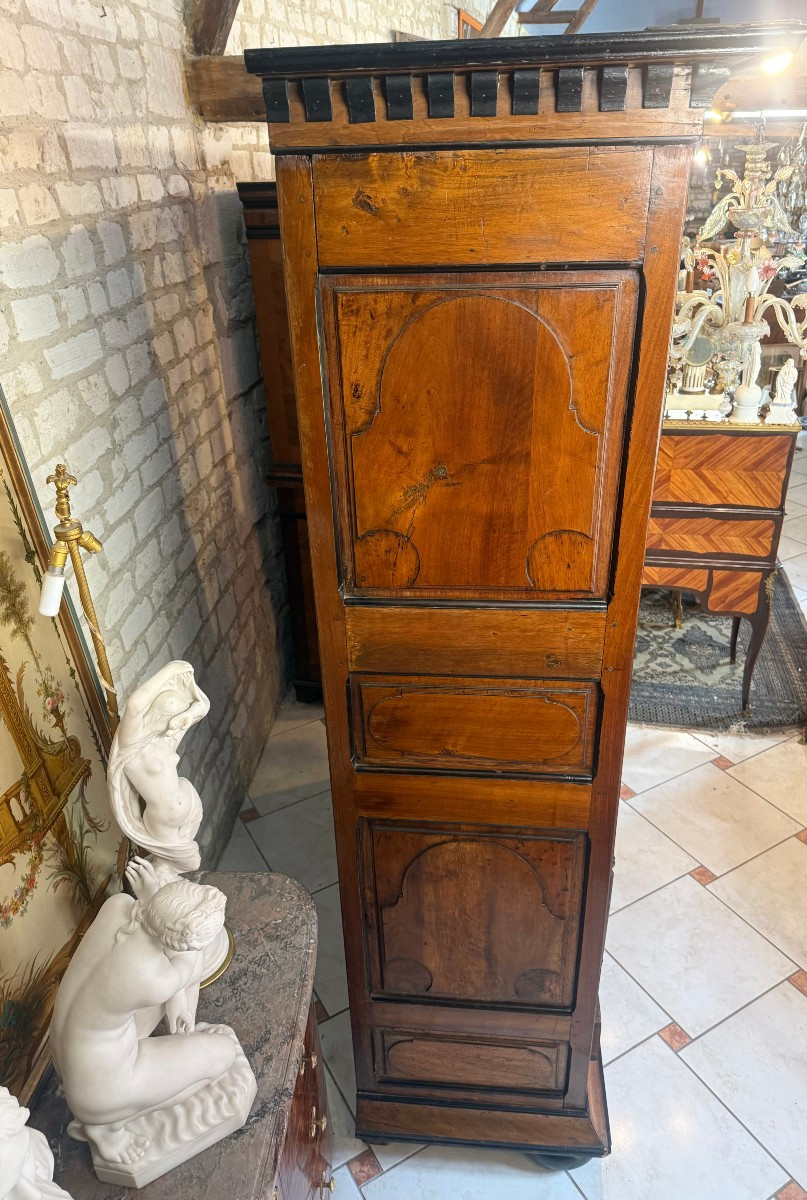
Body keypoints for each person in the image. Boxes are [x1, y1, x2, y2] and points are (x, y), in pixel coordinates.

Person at [50, 858, 235, 1167]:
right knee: (223, 1055)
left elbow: (174, 952)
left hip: (66, 1059)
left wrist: (152, 897)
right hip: (101, 1088)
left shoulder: (118, 905)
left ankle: (105, 1113)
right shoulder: (152, 977)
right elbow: (190, 962)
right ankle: (106, 1128)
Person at [107, 662, 209, 873]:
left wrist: (188, 715)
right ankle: (158, 884)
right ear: (160, 714)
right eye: (172, 718)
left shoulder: (164, 737)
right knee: (190, 864)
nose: (175, 725)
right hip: (162, 820)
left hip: (189, 807)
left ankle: (161, 882)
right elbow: (134, 706)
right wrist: (171, 670)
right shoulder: (132, 743)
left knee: (175, 868)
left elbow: (203, 706)